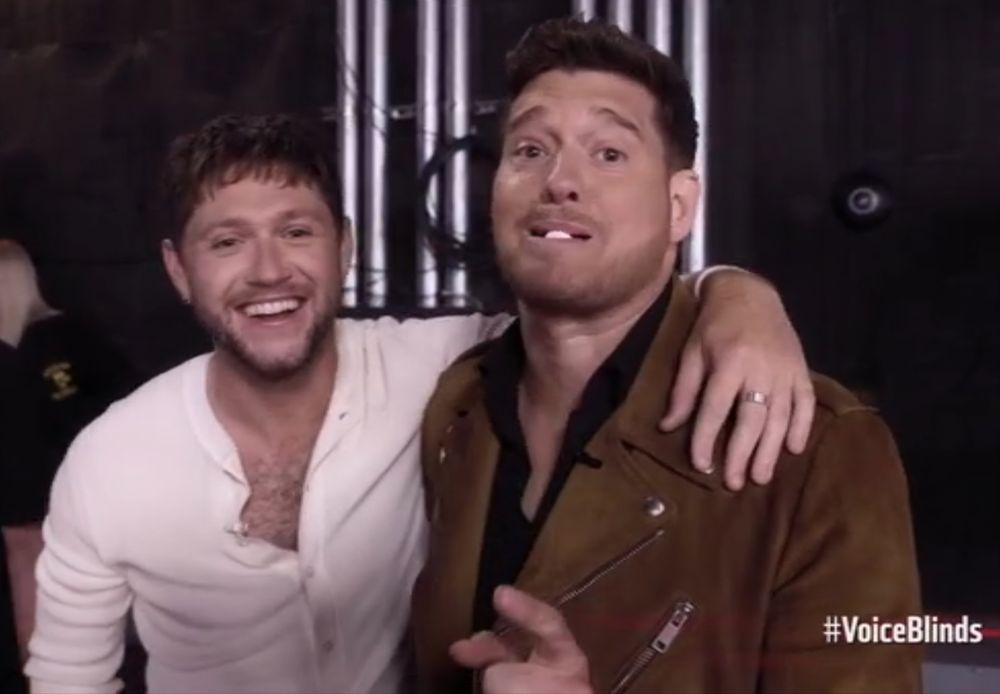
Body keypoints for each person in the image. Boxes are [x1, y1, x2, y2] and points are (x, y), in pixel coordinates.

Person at [26, 113, 812, 694]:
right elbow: (67, 681)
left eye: (296, 232)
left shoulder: (437, 366)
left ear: (344, 247)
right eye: (226, 242)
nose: (268, 270)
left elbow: (595, 325)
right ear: (178, 270)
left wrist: (736, 294)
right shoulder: (111, 460)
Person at [411, 18, 922, 694]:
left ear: (680, 206)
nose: (559, 181)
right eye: (530, 149)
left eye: (609, 154)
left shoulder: (822, 446)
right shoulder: (457, 407)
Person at [0, 239, 134, 693]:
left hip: (41, 484)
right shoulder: (70, 335)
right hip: (64, 482)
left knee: (37, 567)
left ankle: (45, 671)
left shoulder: (63, 337)